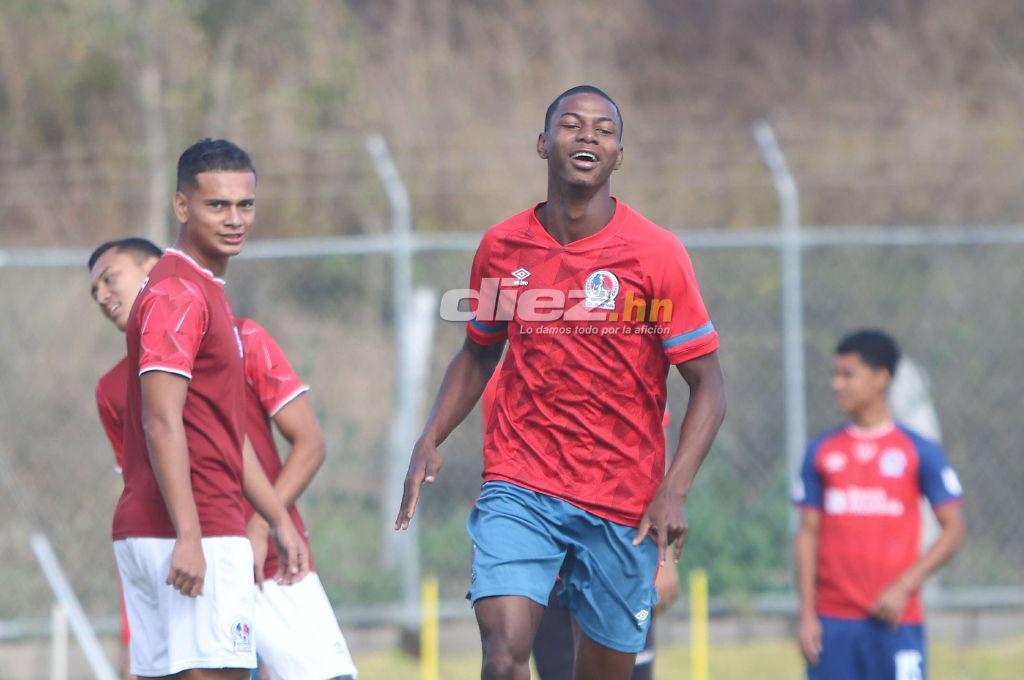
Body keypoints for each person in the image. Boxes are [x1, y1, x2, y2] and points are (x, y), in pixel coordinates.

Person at [396, 85, 726, 680]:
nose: (588, 137)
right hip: (521, 482)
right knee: (502, 656)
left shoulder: (656, 254)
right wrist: (430, 436)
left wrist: (674, 487)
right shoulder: (502, 246)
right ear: (544, 143)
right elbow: (478, 352)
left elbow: (710, 387)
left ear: (619, 154)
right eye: (572, 126)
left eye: (603, 130)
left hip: (622, 500)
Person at [111, 139, 308, 679]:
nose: (234, 218)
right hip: (192, 527)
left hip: (181, 526)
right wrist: (191, 535)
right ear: (182, 207)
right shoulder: (179, 293)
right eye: (216, 205)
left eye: (245, 205)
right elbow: (160, 420)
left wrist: (274, 517)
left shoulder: (203, 289)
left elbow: (224, 432)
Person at [480, 364, 680, 680]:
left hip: (619, 556)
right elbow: (501, 473)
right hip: (547, 573)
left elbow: (655, 444)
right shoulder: (501, 379)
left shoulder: (624, 352)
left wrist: (663, 557)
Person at [793, 330, 966, 680]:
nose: (836, 384)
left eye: (848, 374)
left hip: (896, 621)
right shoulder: (821, 451)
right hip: (833, 622)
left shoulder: (918, 450)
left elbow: (954, 528)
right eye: (835, 374)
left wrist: (905, 586)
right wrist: (808, 614)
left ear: (881, 377)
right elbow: (807, 534)